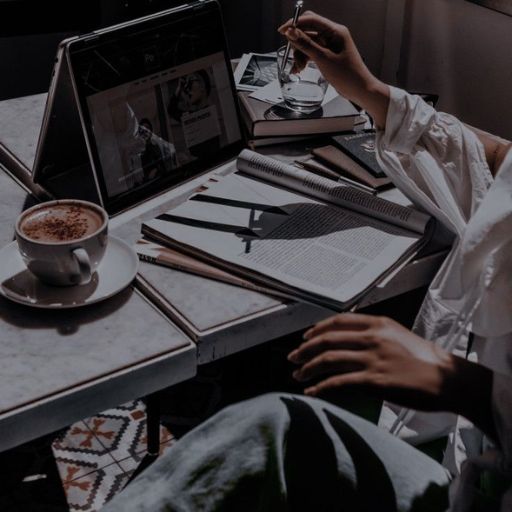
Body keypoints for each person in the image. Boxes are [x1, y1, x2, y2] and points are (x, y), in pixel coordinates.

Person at [103, 11, 512, 512]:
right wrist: (364, 86)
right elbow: (499, 163)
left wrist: (465, 387)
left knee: (267, 425)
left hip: (478, 475)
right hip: (465, 428)